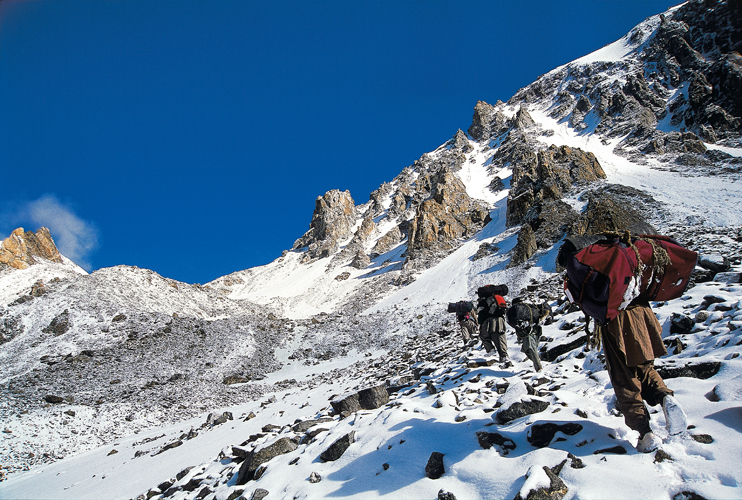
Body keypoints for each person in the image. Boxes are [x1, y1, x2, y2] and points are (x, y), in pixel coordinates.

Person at [596, 297, 687, 453]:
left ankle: (645, 433)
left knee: (624, 379)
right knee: (645, 369)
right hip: (643, 314)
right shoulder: (636, 270)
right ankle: (664, 396)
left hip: (616, 317)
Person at [506, 298, 547, 372]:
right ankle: (537, 362)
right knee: (526, 349)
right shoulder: (529, 308)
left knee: (531, 349)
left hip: (526, 332)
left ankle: (539, 368)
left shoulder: (518, 311)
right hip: (536, 329)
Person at [477, 293, 511, 366]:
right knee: (500, 337)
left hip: (490, 321)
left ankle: (490, 350)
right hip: (500, 320)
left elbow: (481, 315)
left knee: (483, 335)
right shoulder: (497, 300)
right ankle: (504, 356)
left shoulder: (483, 303)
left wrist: (480, 323)